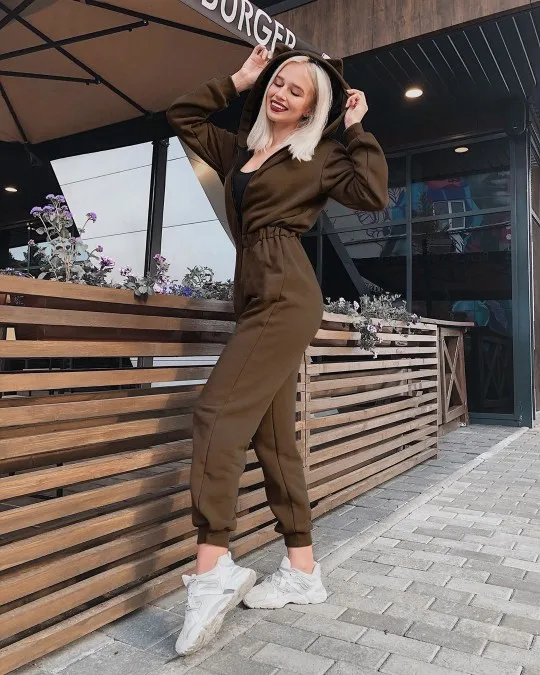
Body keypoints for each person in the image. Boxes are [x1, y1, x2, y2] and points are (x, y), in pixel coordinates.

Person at [167, 43, 388, 656]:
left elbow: (373, 193)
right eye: (278, 82)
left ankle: (212, 568)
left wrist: (356, 127)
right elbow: (182, 115)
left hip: (286, 293)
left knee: (215, 414)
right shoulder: (243, 151)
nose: (281, 92)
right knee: (272, 438)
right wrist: (237, 79)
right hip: (254, 292)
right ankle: (302, 569)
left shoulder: (320, 156)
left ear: (313, 108)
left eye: (297, 89)